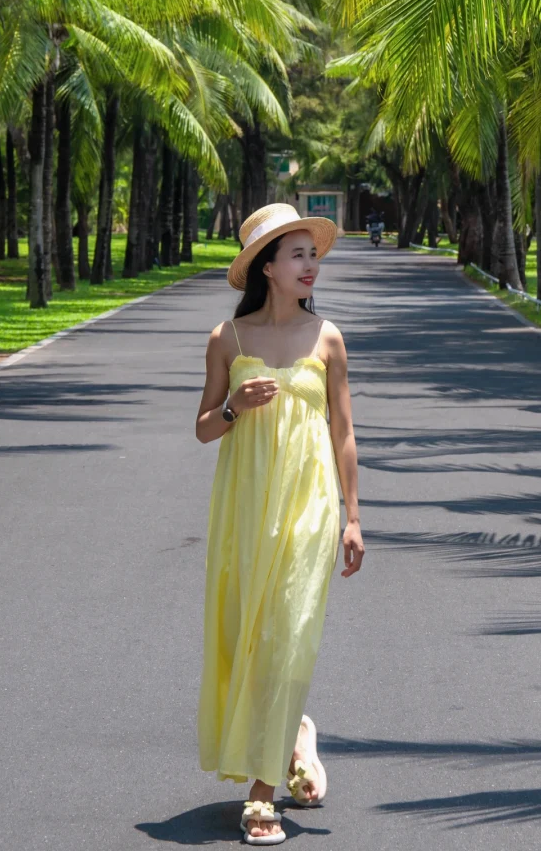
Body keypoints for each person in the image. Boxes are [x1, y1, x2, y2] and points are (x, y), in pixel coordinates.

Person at [196, 203, 364, 845]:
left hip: (309, 505)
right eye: (297, 255)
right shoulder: (228, 341)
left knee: (285, 634)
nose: (310, 265)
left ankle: (260, 795)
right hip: (244, 507)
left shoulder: (328, 338)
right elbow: (204, 428)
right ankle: (294, 734)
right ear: (267, 268)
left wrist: (352, 517)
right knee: (248, 636)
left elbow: (343, 432)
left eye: (312, 255)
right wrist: (234, 406)